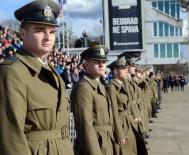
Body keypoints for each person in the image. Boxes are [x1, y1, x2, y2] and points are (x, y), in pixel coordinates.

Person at [0, 0, 74, 155]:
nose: (48, 37)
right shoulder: (13, 72)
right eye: (39, 30)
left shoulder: (52, 71)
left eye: (52, 31)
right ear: (22, 33)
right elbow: (11, 136)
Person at [70, 45, 114, 155]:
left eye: (104, 62)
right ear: (86, 64)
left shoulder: (99, 84)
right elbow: (85, 127)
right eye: (96, 61)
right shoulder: (83, 88)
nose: (101, 65)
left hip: (106, 142)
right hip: (94, 145)